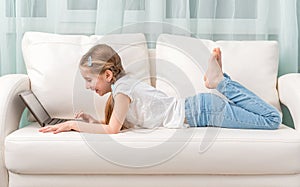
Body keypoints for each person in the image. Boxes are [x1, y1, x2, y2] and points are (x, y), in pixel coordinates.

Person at [39, 44, 282, 134]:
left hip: (204, 111)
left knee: (272, 119)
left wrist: (72, 125)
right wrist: (91, 121)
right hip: (201, 108)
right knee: (268, 119)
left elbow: (113, 130)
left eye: (89, 81)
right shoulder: (123, 86)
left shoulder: (123, 91)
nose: (88, 86)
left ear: (108, 75)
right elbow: (121, 124)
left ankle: (221, 83)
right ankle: (219, 82)